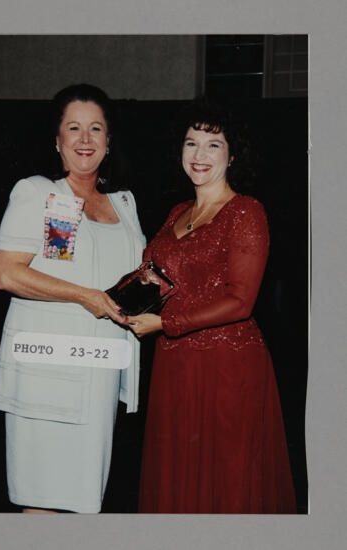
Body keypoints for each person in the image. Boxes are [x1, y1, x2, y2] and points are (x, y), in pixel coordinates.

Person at [128, 103, 297, 513]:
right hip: (174, 364)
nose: (199, 155)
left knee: (227, 482)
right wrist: (120, 293)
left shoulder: (245, 211)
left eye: (213, 144)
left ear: (232, 154)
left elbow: (241, 301)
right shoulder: (176, 214)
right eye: (191, 143)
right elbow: (154, 276)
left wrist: (165, 322)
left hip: (226, 366)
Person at [0, 84, 145, 513]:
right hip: (48, 369)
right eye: (73, 128)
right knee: (42, 502)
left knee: (83, 503)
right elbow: (8, 274)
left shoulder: (123, 203)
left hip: (99, 378)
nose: (85, 139)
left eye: (96, 128)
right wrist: (85, 296)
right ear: (56, 140)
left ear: (109, 142)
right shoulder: (43, 192)